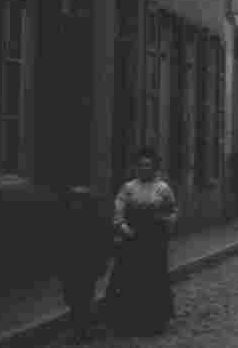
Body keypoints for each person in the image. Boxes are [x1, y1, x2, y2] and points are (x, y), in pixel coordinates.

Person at [105, 147, 178, 337]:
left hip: (154, 240)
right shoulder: (128, 188)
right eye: (141, 165)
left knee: (153, 278)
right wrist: (123, 228)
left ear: (154, 167)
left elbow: (172, 211)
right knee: (129, 277)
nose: (144, 168)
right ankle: (127, 320)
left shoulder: (162, 188)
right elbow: (118, 212)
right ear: (136, 167)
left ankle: (153, 320)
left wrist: (166, 222)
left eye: (148, 165)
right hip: (133, 239)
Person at [57, 185, 112, 344]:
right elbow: (58, 245)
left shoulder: (95, 221)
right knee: (71, 298)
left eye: (80, 200)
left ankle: (82, 329)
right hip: (70, 267)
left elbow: (102, 245)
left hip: (87, 267)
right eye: (74, 200)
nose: (77, 204)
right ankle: (78, 326)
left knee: (85, 297)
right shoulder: (65, 220)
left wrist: (101, 265)